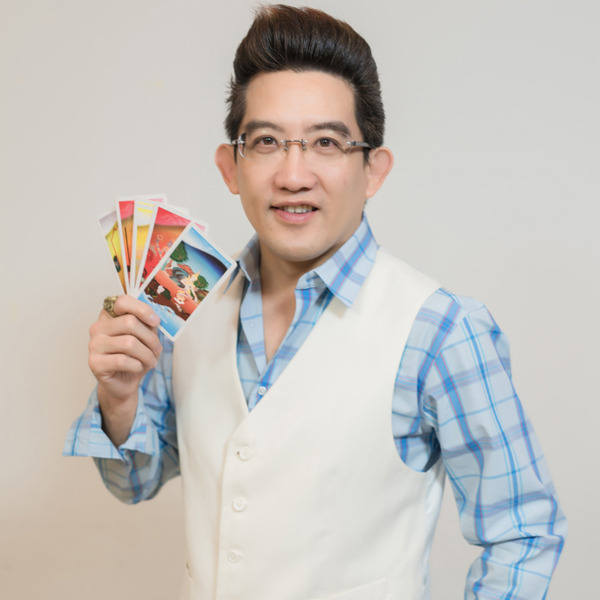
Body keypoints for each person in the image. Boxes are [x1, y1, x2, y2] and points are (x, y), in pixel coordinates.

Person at [64, 5, 566, 600]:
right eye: (267, 142)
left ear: (373, 170)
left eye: (327, 142)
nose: (293, 174)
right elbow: (134, 482)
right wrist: (119, 397)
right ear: (231, 166)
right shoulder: (188, 305)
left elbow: (523, 532)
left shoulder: (440, 329)